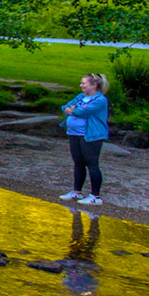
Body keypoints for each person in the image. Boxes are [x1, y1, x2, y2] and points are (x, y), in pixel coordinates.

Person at [59, 73, 110, 206]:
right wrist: (72, 109)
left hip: (90, 136)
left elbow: (82, 111)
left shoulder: (100, 100)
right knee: (78, 163)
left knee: (92, 164)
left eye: (84, 83)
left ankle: (95, 196)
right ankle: (76, 192)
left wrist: (74, 109)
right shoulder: (81, 97)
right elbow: (66, 107)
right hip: (74, 134)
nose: (81, 85)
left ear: (94, 85)